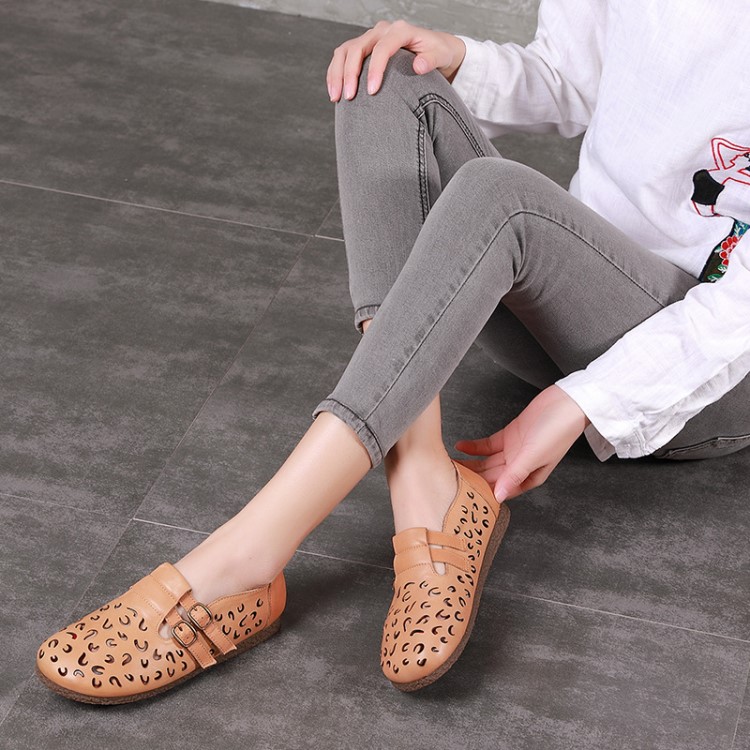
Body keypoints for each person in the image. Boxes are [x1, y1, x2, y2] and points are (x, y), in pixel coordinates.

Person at [35, 0, 750, 704]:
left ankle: (248, 553)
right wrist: (458, 58)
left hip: (705, 375)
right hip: (577, 301)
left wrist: (584, 401)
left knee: (502, 196)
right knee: (383, 74)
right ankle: (425, 487)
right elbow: (573, 76)